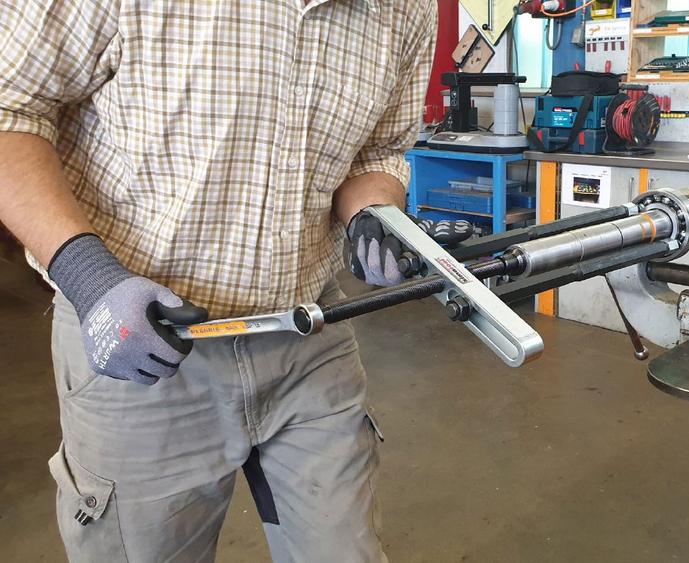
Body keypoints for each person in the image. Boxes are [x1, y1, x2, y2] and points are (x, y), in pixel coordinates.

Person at [0, 1, 443, 560]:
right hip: (142, 340)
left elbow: (376, 152)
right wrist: (89, 277)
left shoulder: (407, 9)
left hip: (306, 333)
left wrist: (372, 214)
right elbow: (11, 110)